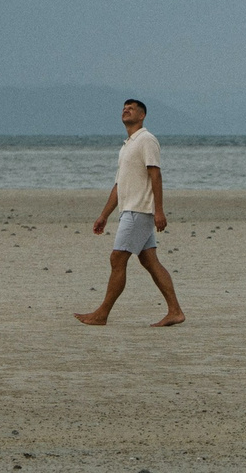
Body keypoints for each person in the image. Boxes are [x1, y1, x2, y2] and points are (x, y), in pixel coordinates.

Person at [77, 98, 187, 327]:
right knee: (150, 262)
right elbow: (119, 186)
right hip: (129, 210)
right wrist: (104, 215)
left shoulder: (146, 140)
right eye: (124, 108)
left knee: (117, 258)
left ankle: (102, 314)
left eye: (132, 108)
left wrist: (159, 211)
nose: (126, 110)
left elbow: (155, 175)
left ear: (142, 115)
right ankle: (175, 311)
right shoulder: (127, 145)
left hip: (139, 210)